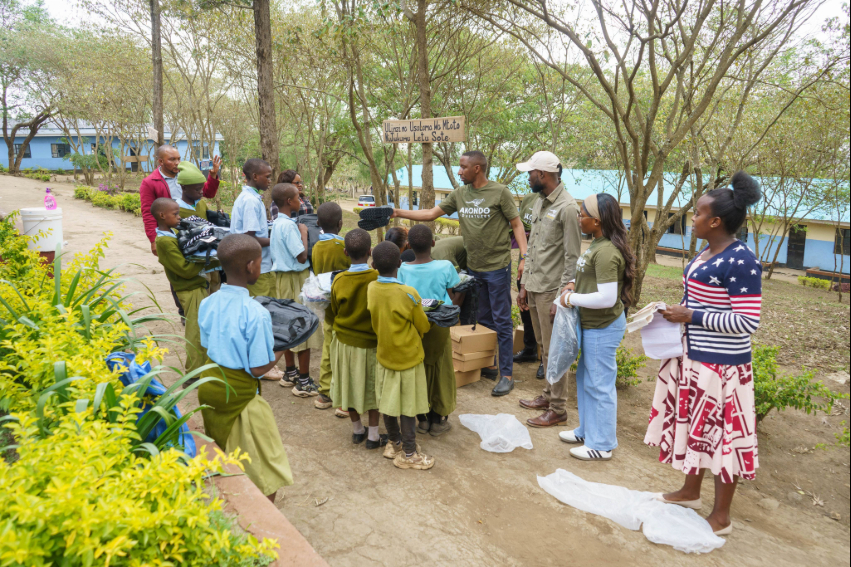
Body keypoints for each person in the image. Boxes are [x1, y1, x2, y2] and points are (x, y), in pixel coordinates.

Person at [644, 171, 762, 536]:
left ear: (715, 221)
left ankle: (721, 517)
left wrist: (691, 316)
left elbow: (747, 321)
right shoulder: (706, 252)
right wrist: (671, 313)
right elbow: (699, 300)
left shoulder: (741, 261)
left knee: (725, 438)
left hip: (722, 368)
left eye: (697, 213)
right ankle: (689, 492)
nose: (692, 218)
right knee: (696, 429)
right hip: (694, 358)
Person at [391, 151, 528, 397]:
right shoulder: (460, 194)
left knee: (502, 320)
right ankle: (488, 364)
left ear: (477, 168)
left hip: (497, 266)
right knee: (482, 318)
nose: (459, 171)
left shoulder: (500, 192)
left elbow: (517, 225)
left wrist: (524, 258)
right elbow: (431, 213)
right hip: (474, 266)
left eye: (463, 167)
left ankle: (506, 375)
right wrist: (398, 213)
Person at [197, 234, 293, 503]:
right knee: (264, 468)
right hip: (239, 395)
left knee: (224, 454)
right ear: (251, 266)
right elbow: (259, 368)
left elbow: (207, 344)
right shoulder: (256, 313)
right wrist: (285, 345)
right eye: (261, 262)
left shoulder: (207, 302)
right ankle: (260, 521)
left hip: (210, 384)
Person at [556, 193, 634, 461]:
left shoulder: (607, 252)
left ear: (597, 221)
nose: (579, 218)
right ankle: (587, 431)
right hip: (591, 325)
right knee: (586, 381)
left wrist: (571, 299)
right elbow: (591, 278)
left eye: (582, 214)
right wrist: (573, 284)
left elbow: (607, 298)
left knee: (600, 385)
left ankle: (601, 444)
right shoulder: (597, 244)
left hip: (603, 327)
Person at [515, 151, 582, 428]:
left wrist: (560, 298)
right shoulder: (539, 202)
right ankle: (548, 395)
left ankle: (558, 408)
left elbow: (572, 257)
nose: (528, 177)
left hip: (551, 291)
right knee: (544, 346)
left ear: (542, 174)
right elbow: (532, 247)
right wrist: (524, 285)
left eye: (530, 173)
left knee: (556, 349)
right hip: (535, 285)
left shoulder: (568, 208)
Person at [368, 241, 434, 470]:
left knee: (387, 401)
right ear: (399, 262)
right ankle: (409, 453)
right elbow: (423, 325)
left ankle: (394, 443)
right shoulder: (409, 293)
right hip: (408, 358)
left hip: (384, 355)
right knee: (407, 406)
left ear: (374, 265)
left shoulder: (372, 288)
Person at [140, 145, 221, 319]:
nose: (177, 162)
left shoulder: (185, 175)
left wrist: (213, 176)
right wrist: (153, 239)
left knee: (201, 270)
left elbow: (205, 193)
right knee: (178, 268)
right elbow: (148, 212)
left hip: (194, 230)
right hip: (173, 231)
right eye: (172, 159)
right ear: (161, 161)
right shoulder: (151, 182)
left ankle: (202, 307)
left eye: (178, 158)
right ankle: (184, 310)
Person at [399, 224, 461, 437]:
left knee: (419, 370)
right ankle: (438, 420)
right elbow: (454, 294)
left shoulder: (403, 269)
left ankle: (422, 420)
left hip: (414, 328)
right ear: (433, 243)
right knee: (440, 371)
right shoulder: (445, 267)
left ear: (409, 245)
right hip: (439, 327)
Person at [328, 229, 385, 449]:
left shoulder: (339, 280)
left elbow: (333, 312)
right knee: (372, 388)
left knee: (349, 385)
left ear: (345, 252)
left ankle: (357, 430)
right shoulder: (377, 279)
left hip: (345, 343)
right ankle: (373, 436)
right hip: (371, 344)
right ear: (370, 251)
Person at [152, 197, 219, 377]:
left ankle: (202, 368)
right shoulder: (164, 242)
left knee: (200, 329)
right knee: (195, 332)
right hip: (189, 288)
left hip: (194, 287)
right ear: (162, 215)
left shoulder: (172, 234)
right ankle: (194, 373)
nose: (179, 217)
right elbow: (185, 270)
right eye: (175, 214)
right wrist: (207, 260)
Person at [230, 158, 281, 379]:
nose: (269, 180)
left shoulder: (250, 198)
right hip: (257, 266)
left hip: (257, 265)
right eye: (267, 176)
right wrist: (277, 239)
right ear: (254, 176)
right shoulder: (250, 201)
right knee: (262, 314)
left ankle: (258, 360)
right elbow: (250, 238)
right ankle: (260, 364)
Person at [269, 183, 321, 397]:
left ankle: (290, 372)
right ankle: (304, 381)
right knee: (302, 326)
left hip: (282, 279)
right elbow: (300, 256)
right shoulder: (291, 226)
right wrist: (304, 233)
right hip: (295, 279)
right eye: (298, 198)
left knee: (286, 327)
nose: (301, 201)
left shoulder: (276, 223)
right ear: (289, 202)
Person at [310, 202, 351, 414]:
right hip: (346, 306)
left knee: (328, 347)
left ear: (318, 223)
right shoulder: (343, 247)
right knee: (346, 350)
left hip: (327, 306)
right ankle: (345, 398)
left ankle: (324, 393)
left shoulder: (316, 247)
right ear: (341, 223)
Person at [175, 161, 221, 293]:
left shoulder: (201, 204)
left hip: (211, 258)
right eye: (197, 189)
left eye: (202, 188)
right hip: (196, 261)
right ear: (184, 188)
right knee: (203, 291)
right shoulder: (176, 210)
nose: (202, 192)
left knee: (216, 287)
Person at [513, 190, 541, 376]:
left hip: (544, 268)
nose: (529, 177)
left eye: (532, 175)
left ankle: (546, 359)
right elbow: (519, 229)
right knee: (526, 309)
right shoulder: (529, 198)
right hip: (524, 265)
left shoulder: (562, 204)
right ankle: (529, 349)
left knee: (543, 314)